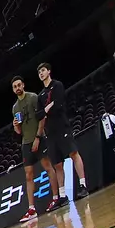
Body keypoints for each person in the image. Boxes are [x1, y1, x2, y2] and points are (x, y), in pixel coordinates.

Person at [38, 62, 89, 201]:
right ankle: (62, 195)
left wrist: (47, 110)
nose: (41, 73)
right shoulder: (41, 95)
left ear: (49, 71)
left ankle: (83, 185)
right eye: (39, 72)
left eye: (43, 70)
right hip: (50, 132)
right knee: (57, 164)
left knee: (73, 153)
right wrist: (48, 108)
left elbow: (59, 104)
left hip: (62, 126)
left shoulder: (57, 85)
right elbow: (39, 115)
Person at [12, 75, 60, 222]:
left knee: (48, 167)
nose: (17, 88)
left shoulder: (33, 98)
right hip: (26, 142)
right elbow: (19, 132)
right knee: (28, 175)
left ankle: (56, 197)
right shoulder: (15, 108)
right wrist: (16, 127)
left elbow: (42, 118)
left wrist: (38, 138)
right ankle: (31, 209)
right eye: (15, 87)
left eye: (19, 85)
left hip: (38, 138)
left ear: (23, 85)